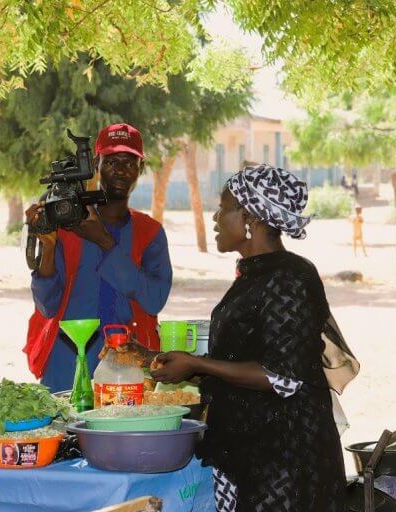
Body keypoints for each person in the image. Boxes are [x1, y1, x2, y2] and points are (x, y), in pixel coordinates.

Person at [150, 164, 358, 512]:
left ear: (249, 217)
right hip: (250, 448)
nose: (215, 217)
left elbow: (284, 376)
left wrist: (198, 363)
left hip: (284, 461)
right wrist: (180, 364)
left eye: (223, 207)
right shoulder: (255, 274)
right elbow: (242, 355)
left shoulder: (290, 278)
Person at [24, 123, 173, 393]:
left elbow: (154, 299)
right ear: (95, 164)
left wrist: (103, 241)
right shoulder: (68, 225)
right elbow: (47, 306)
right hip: (66, 363)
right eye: (111, 161)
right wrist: (47, 247)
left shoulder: (149, 233)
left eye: (129, 162)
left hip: (128, 366)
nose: (120, 169)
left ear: (140, 169)